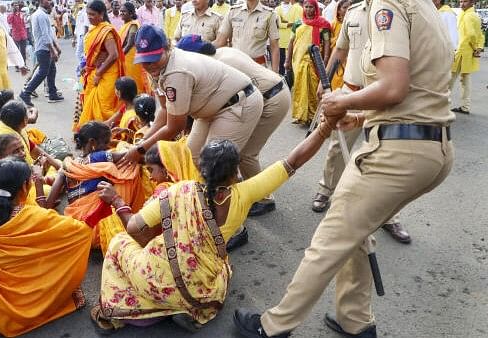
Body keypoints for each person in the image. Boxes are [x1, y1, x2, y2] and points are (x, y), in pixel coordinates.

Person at [233, 0, 455, 333]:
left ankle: (274, 326)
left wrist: (342, 100)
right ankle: (354, 319)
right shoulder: (425, 7)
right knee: (357, 228)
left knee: (329, 239)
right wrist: (363, 116)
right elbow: (418, 90)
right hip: (431, 146)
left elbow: (394, 87)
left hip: (398, 151)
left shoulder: (388, 4)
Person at [91, 116, 334, 333]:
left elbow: (133, 227)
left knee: (119, 242)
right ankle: (181, 309)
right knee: (223, 269)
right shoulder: (244, 194)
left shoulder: (177, 192)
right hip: (200, 292)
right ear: (234, 172)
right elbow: (293, 162)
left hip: (157, 281)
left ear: (200, 168)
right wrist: (324, 128)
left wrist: (117, 200)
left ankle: (128, 309)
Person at [311, 0, 411, 243]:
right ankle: (326, 190)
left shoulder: (397, 9)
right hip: (351, 91)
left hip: (382, 96)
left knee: (386, 155)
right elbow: (341, 49)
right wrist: (323, 77)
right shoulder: (353, 12)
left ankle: (390, 216)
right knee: (337, 147)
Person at [177, 35, 290, 233]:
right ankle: (237, 191)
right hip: (264, 95)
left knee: (244, 153)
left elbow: (238, 97)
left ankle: (263, 198)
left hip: (272, 99)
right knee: (225, 151)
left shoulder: (218, 63)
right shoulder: (220, 53)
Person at [0, 157, 92, 337]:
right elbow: (80, 232)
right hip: (22, 303)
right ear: (26, 186)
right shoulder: (34, 216)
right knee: (56, 247)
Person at [121, 25, 264, 171]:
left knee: (213, 164)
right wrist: (142, 142)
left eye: (153, 59)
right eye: (144, 60)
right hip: (211, 108)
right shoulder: (158, 68)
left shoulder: (176, 72)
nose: (148, 65)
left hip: (237, 104)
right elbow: (165, 109)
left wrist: (140, 150)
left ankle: (245, 193)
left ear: (167, 48)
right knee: (191, 158)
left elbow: (175, 126)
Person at [46, 122, 145, 254]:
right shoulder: (99, 157)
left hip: (75, 228)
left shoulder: (67, 165)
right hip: (97, 229)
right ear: (93, 142)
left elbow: (49, 203)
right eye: (106, 143)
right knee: (130, 168)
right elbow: (130, 154)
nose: (107, 147)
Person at [72, 0, 124, 131]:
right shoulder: (93, 29)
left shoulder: (106, 31)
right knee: (90, 102)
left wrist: (99, 73)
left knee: (104, 106)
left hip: (106, 74)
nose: (89, 17)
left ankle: (105, 132)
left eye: (93, 14)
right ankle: (92, 133)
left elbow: (113, 55)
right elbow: (94, 54)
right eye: (88, 14)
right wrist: (87, 66)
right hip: (95, 71)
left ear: (101, 14)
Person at [286, 0, 330, 125]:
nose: (308, 9)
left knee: (314, 88)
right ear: (303, 8)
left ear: (316, 8)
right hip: (298, 61)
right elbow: (291, 42)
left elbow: (326, 43)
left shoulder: (323, 24)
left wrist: (325, 59)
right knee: (299, 87)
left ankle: (314, 116)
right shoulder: (298, 24)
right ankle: (301, 115)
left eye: (311, 7)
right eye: (306, 7)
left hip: (315, 61)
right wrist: (287, 60)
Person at [214, 0, 280, 72]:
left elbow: (274, 47)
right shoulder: (233, 12)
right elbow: (220, 42)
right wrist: (202, 48)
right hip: (236, 68)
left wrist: (275, 73)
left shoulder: (270, 14)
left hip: (258, 67)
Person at [19, 0, 63, 107]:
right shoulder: (40, 15)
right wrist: (53, 51)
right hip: (43, 48)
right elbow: (45, 35)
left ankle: (52, 93)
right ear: (41, 1)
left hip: (45, 48)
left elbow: (49, 33)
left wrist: (56, 47)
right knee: (43, 72)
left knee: (51, 70)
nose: (50, 2)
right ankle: (26, 93)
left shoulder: (42, 14)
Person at [449, 0, 484, 114]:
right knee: (465, 79)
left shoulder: (468, 16)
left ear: (472, 2)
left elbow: (471, 34)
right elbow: (479, 34)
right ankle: (465, 107)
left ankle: (443, 105)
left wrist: (475, 47)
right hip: (467, 51)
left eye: (464, 1)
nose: (461, 3)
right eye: (460, 1)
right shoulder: (473, 15)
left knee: (450, 78)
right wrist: (478, 47)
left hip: (462, 51)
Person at [118, 2, 151, 95]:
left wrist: (119, 57)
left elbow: (129, 44)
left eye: (124, 11)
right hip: (126, 57)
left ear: (131, 13)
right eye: (121, 11)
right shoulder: (125, 24)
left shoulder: (133, 25)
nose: (121, 13)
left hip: (131, 58)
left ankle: (137, 100)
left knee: (133, 80)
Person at [275, 0, 303, 76]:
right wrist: (291, 24)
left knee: (293, 62)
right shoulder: (277, 9)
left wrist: (285, 23)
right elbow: (278, 24)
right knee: (281, 63)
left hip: (293, 39)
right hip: (281, 40)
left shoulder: (297, 8)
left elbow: (298, 23)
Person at [328, 0, 350, 90]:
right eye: (344, 7)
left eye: (349, 7)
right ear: (338, 10)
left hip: (349, 57)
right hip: (336, 57)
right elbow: (330, 43)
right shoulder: (333, 25)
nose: (347, 9)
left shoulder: (352, 23)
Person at [9, 1, 29, 66]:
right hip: (16, 35)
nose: (16, 6)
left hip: (23, 35)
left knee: (23, 51)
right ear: (12, 7)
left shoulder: (21, 14)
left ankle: (24, 64)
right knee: (16, 51)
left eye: (17, 5)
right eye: (15, 5)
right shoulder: (10, 15)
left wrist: (25, 33)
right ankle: (17, 65)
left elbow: (24, 24)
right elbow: (9, 21)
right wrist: (13, 13)